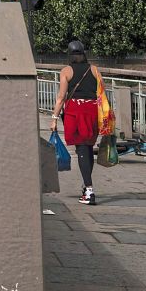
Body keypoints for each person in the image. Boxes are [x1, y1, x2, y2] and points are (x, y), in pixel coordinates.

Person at [49, 39, 104, 205]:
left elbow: (61, 97)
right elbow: (102, 92)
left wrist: (54, 118)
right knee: (87, 147)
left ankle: (89, 190)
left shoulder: (66, 71)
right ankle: (86, 186)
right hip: (92, 111)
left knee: (81, 148)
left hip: (75, 111)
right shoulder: (94, 69)